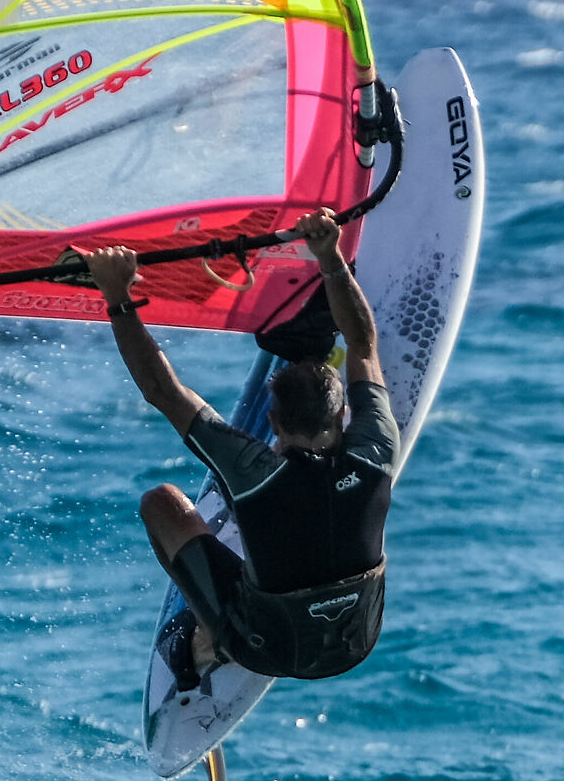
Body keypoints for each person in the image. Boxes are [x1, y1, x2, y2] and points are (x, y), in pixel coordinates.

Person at [81, 210, 397, 685]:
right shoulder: (375, 447)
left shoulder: (252, 470)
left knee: (162, 504)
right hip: (358, 639)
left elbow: (164, 391)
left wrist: (117, 296)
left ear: (272, 423)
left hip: (263, 648)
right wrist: (330, 259)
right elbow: (363, 346)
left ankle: (208, 643)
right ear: (341, 415)